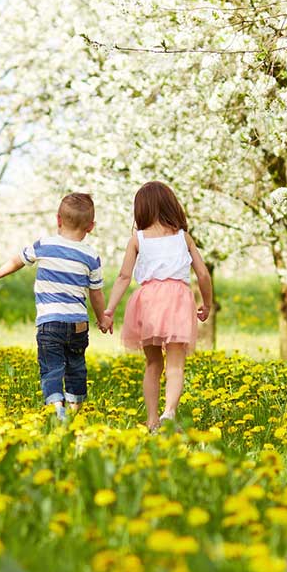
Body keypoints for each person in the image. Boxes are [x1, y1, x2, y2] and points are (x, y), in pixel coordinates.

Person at [0, 193, 106, 420]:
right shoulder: (91, 256)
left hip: (49, 323)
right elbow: (96, 294)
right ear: (91, 227)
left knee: (51, 367)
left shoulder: (44, 245)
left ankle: (57, 407)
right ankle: (75, 411)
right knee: (76, 366)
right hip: (78, 324)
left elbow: (18, 260)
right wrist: (103, 319)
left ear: (58, 219)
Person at [101, 181, 214, 432]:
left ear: (140, 209)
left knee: (153, 364)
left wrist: (109, 310)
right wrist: (206, 304)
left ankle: (152, 420)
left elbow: (123, 277)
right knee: (176, 363)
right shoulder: (183, 238)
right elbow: (203, 274)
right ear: (171, 206)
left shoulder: (138, 239)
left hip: (148, 301)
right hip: (177, 300)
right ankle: (169, 413)